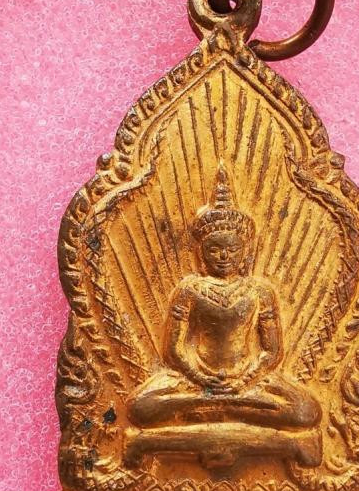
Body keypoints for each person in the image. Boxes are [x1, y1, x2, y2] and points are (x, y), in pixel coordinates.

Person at [124, 163, 321, 469]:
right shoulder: (190, 289)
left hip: (248, 380)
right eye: (215, 249)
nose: (224, 256)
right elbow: (173, 349)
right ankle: (233, 416)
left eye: (232, 249)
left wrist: (246, 378)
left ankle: (211, 415)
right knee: (140, 407)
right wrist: (201, 378)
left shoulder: (259, 291)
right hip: (196, 380)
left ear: (245, 252)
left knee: (306, 411)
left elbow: (271, 351)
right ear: (202, 252)